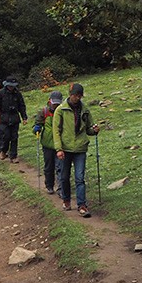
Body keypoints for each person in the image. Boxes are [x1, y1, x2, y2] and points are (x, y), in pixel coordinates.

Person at [52, 83, 100, 217]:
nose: (77, 98)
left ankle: (82, 205)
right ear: (70, 94)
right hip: (65, 149)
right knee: (64, 176)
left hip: (80, 148)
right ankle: (66, 200)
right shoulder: (60, 110)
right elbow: (56, 131)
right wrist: (58, 149)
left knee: (80, 177)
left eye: (79, 96)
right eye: (75, 95)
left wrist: (94, 130)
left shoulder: (85, 110)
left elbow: (89, 129)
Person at [33, 90, 63, 194]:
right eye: (54, 103)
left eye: (57, 104)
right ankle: (49, 185)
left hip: (60, 144)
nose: (55, 106)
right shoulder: (44, 112)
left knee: (60, 167)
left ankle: (61, 188)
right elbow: (37, 124)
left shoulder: (63, 112)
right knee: (49, 167)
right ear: (49, 101)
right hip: (47, 145)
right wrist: (37, 128)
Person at [0, 75, 27, 163]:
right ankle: (3, 150)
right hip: (4, 118)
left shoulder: (18, 94)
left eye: (13, 85)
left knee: (14, 137)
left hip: (15, 118)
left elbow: (21, 106)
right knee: (5, 136)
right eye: (10, 85)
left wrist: (24, 117)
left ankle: (13, 156)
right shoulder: (0, 93)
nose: (12, 87)